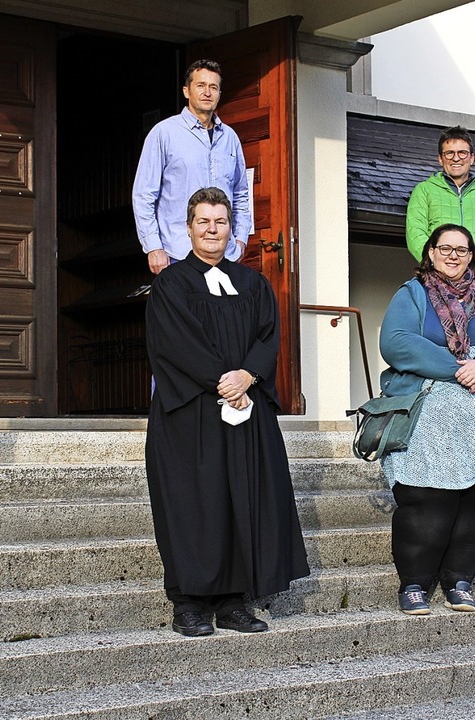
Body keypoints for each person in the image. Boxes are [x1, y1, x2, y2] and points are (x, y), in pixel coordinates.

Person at [144, 187, 309, 636]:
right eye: (204, 221)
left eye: (220, 222)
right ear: (189, 228)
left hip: (245, 409)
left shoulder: (253, 284)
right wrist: (224, 381)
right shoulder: (171, 284)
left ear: (231, 229)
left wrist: (247, 377)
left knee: (242, 498)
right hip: (190, 414)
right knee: (194, 504)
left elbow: (268, 338)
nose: (212, 230)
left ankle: (235, 601)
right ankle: (190, 603)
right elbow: (176, 344)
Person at [379, 224, 475, 614]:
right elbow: (396, 341)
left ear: (471, 257)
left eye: (461, 250)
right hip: (432, 419)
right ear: (430, 253)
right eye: (444, 248)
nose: (452, 256)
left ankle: (459, 580)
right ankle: (414, 584)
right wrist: (458, 369)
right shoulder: (412, 294)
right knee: (427, 500)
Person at [133, 59, 251, 275]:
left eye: (213, 87)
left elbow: (241, 194)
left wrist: (241, 239)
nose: (207, 92)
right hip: (177, 254)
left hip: (225, 255)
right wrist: (153, 247)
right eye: (200, 85)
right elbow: (143, 195)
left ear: (219, 94)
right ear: (186, 91)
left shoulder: (230, 138)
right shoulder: (164, 133)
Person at [405, 126, 475, 277]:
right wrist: (438, 269)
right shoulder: (424, 190)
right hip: (435, 281)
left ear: (472, 158)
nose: (456, 158)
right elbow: (415, 233)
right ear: (440, 159)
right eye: (449, 153)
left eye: (462, 153)